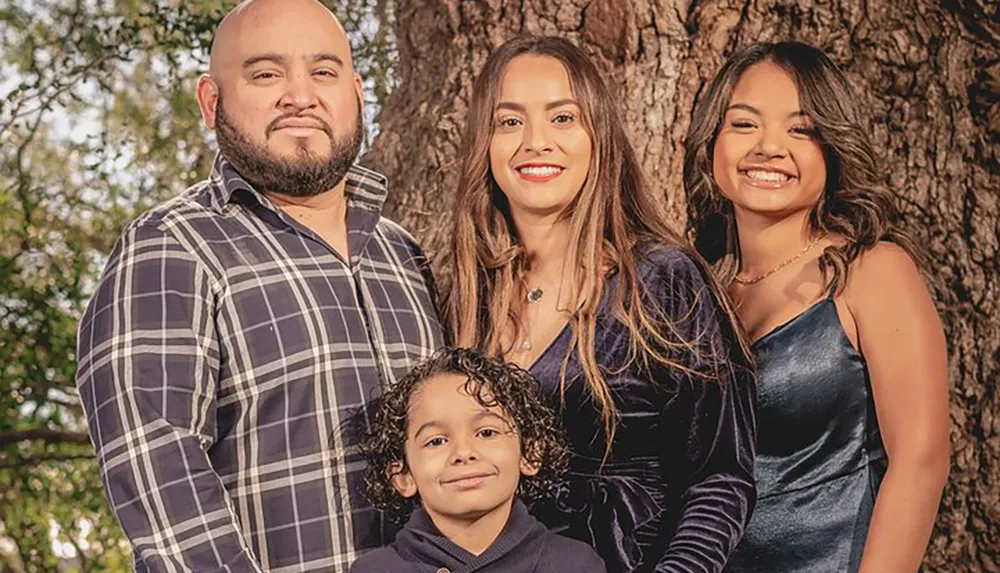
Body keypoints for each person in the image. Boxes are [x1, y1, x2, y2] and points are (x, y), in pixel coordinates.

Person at [74, 0, 443, 571]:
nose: (301, 94)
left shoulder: (404, 253)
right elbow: (156, 467)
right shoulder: (172, 248)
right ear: (210, 101)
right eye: (266, 73)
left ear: (358, 92)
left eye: (323, 71)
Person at [443, 35, 757, 572]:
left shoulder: (663, 282)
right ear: (484, 144)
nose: (535, 142)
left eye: (562, 118)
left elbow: (721, 476)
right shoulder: (468, 296)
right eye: (510, 122)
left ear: (599, 136)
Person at [684, 41, 950, 572]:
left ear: (832, 148)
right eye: (743, 124)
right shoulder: (693, 290)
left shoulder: (872, 270)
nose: (768, 147)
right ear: (711, 141)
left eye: (800, 129)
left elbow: (921, 460)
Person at [350, 348, 606, 573]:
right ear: (403, 476)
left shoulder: (574, 564)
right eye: (436, 441)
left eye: (486, 433)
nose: (463, 452)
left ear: (530, 454)